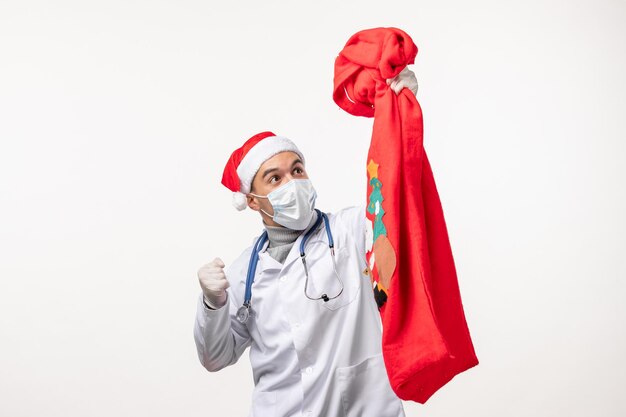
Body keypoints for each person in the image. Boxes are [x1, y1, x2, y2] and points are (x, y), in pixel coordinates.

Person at [194, 68, 419, 417]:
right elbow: (215, 357)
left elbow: (396, 194)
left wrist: (400, 116)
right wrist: (212, 303)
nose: (292, 182)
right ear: (252, 200)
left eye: (297, 170)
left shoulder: (350, 231)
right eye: (275, 178)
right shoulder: (243, 274)